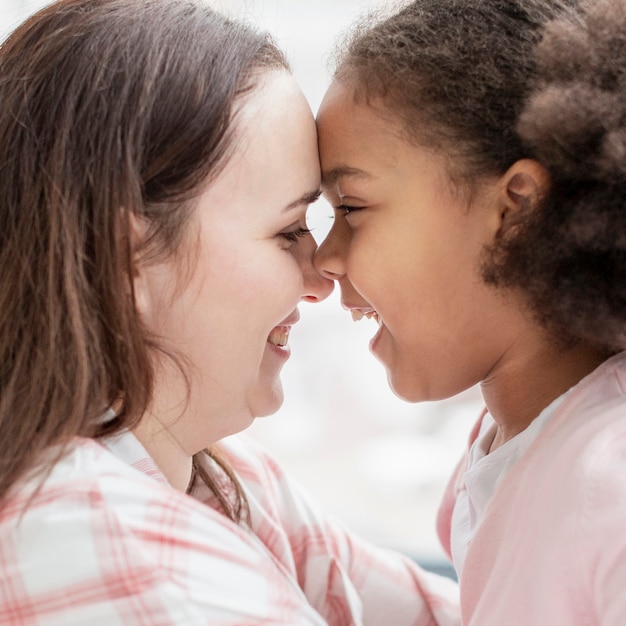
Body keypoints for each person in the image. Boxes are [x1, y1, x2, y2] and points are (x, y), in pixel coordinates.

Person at [0, 0, 462, 624]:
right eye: (289, 230)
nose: (319, 281)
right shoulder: (143, 571)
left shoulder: (217, 473)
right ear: (128, 257)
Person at [314, 0, 626, 623]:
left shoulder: (609, 485)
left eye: (350, 208)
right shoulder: (497, 448)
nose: (325, 259)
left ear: (515, 209)